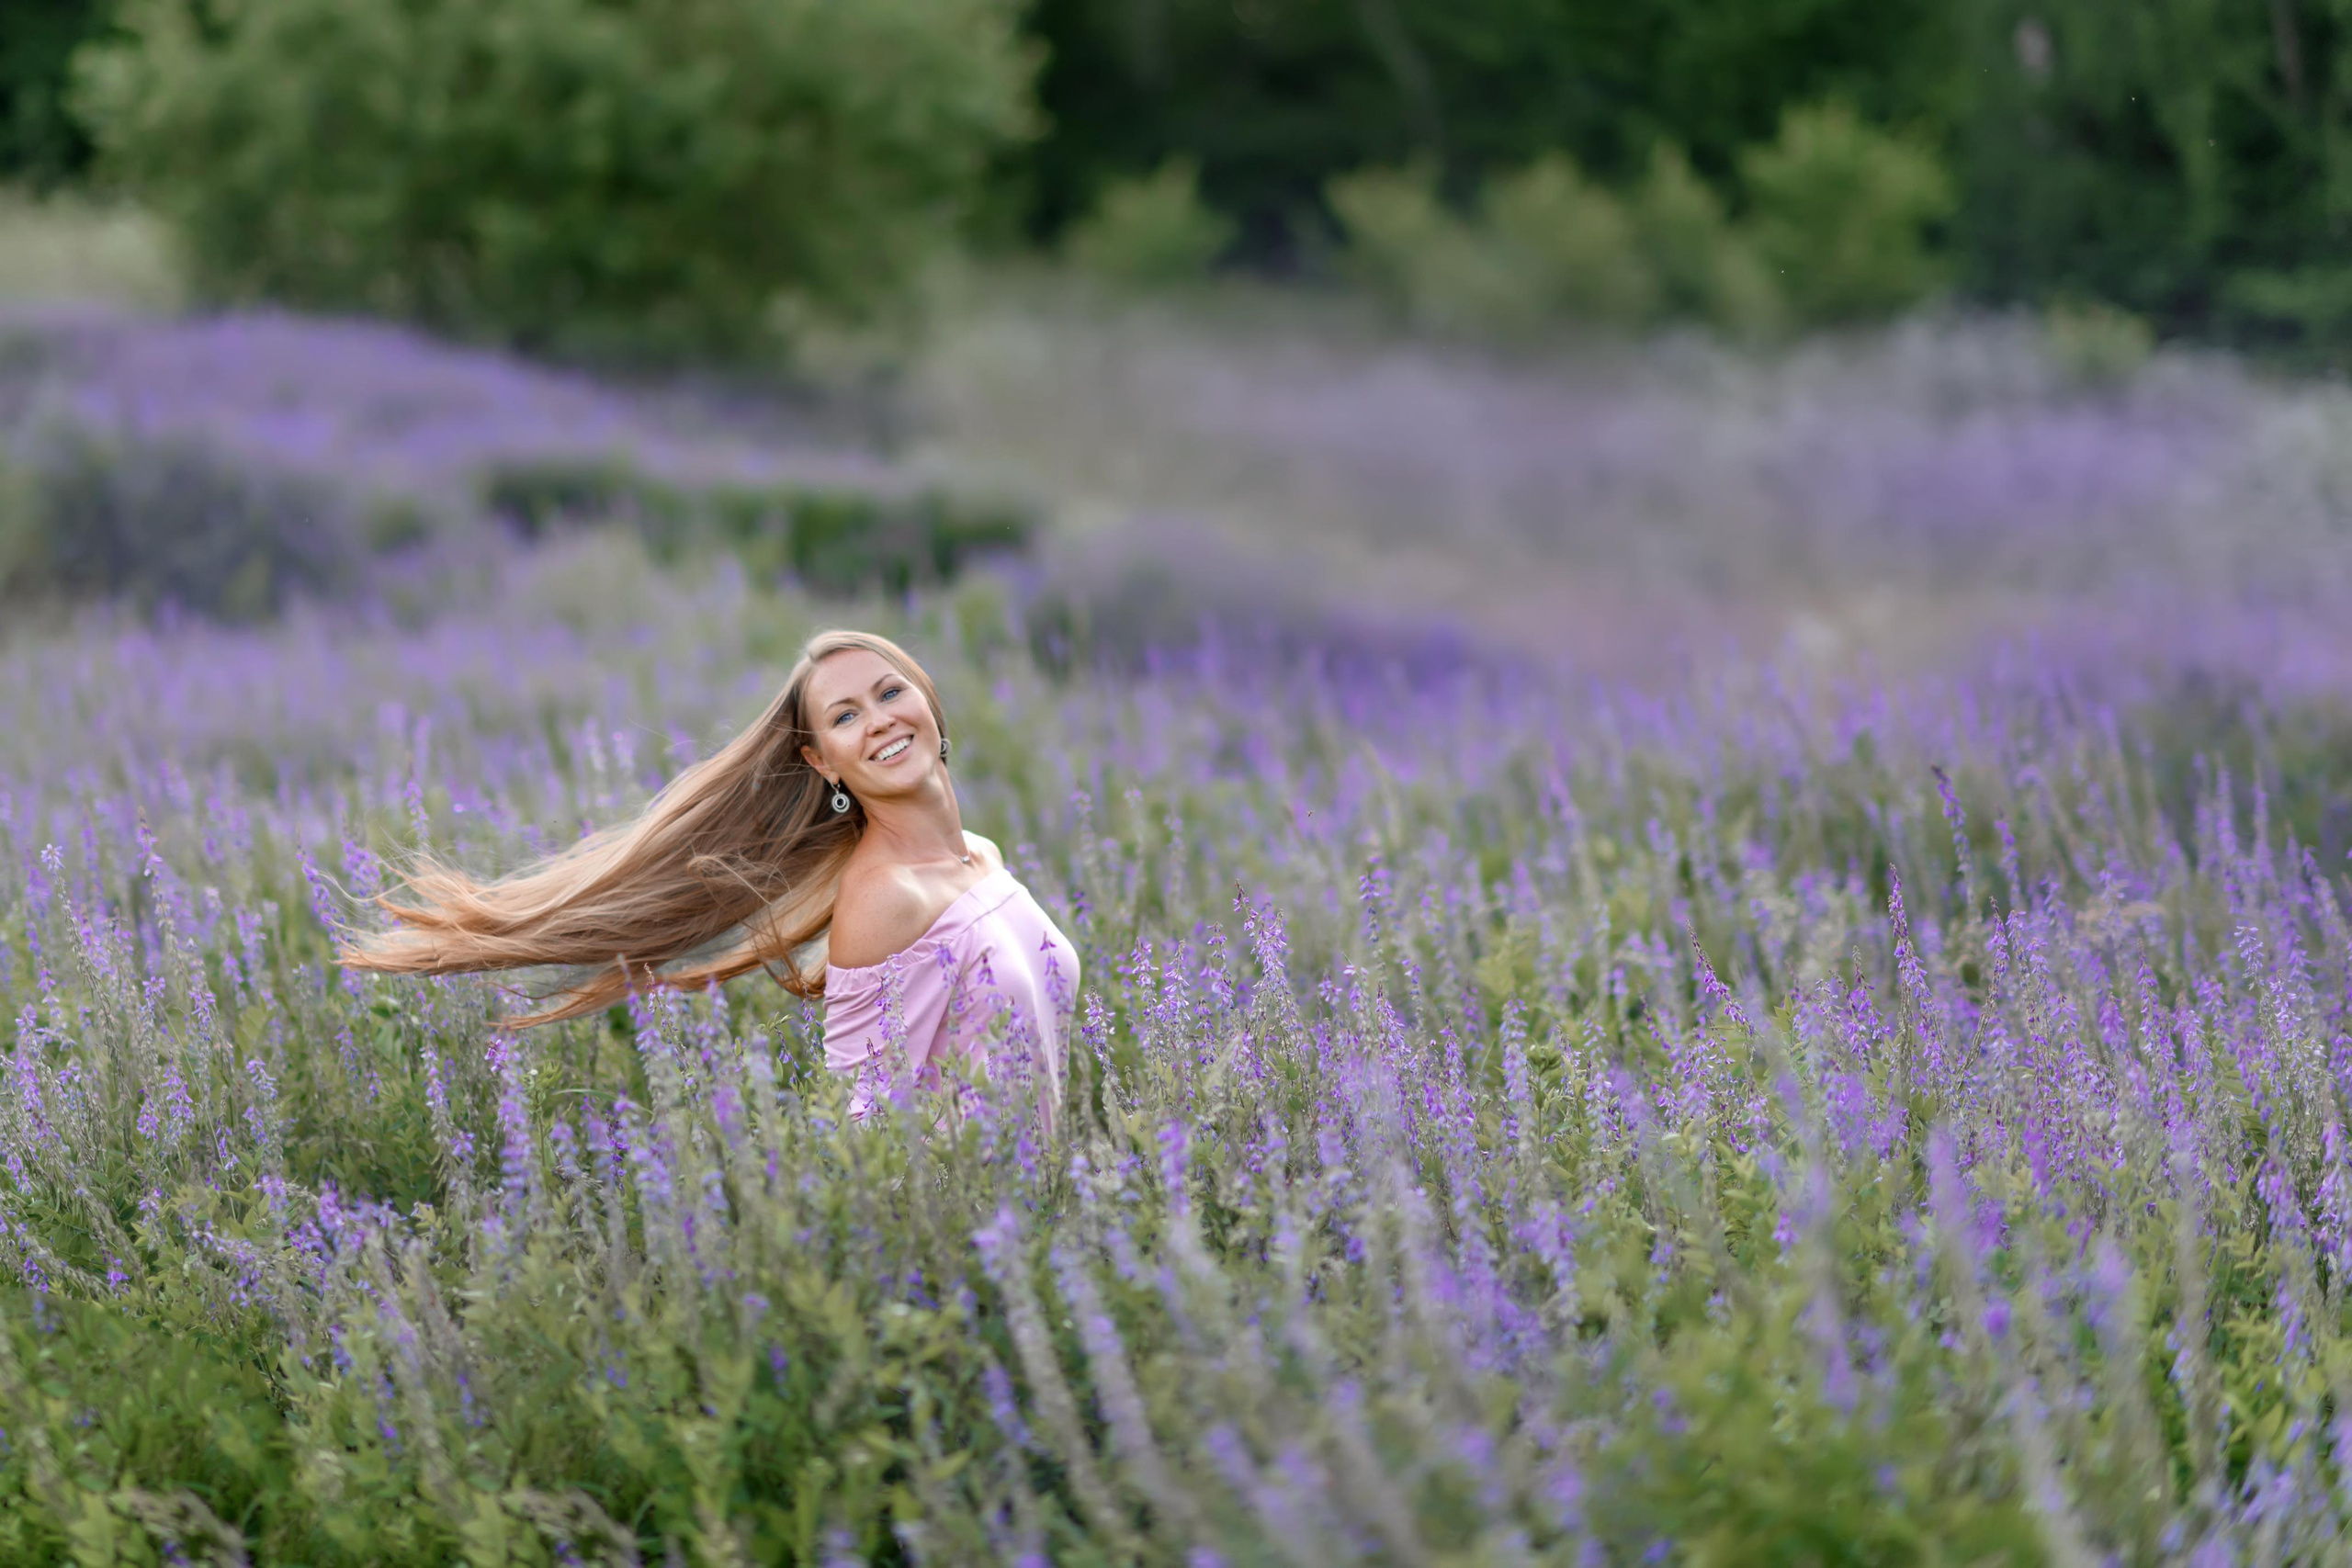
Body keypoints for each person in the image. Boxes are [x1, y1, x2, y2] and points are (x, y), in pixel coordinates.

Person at [339, 629, 1077, 1122]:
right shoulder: (887, 898)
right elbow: (872, 1124)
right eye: (845, 716)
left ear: (928, 701)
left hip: (1041, 1228)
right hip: (969, 1256)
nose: (879, 720)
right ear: (824, 762)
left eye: (889, 693)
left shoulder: (979, 857)